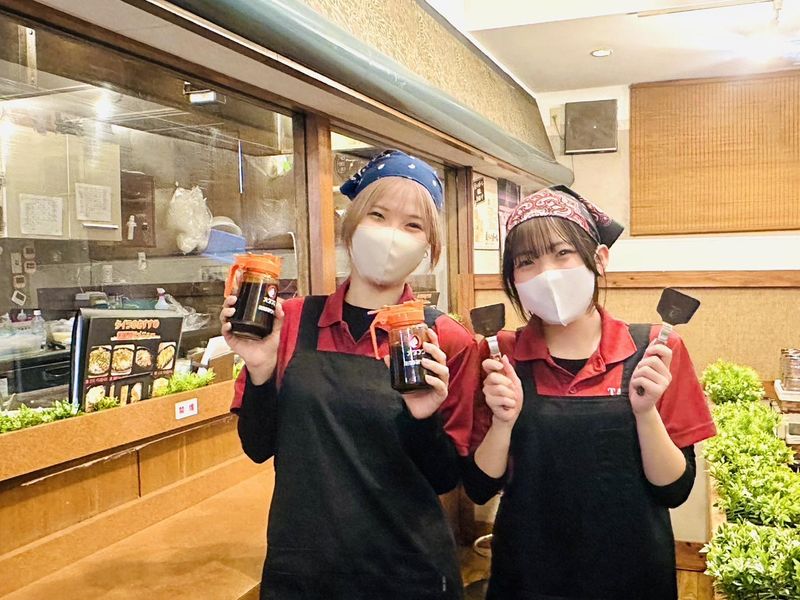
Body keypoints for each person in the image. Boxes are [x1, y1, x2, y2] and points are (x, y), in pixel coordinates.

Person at [222, 150, 479, 599]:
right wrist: (260, 368)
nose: (392, 235)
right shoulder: (291, 321)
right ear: (351, 225)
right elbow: (258, 448)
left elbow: (445, 479)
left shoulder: (446, 340)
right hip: (303, 572)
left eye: (413, 225)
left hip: (408, 574)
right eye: (378, 215)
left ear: (429, 247)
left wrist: (423, 418)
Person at [463, 186, 717, 600]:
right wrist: (503, 422)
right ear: (513, 279)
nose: (546, 273)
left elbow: (674, 490)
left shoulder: (656, 351)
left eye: (562, 253)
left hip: (633, 577)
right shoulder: (499, 355)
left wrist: (646, 413)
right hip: (527, 577)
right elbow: (478, 487)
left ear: (598, 259)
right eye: (526, 261)